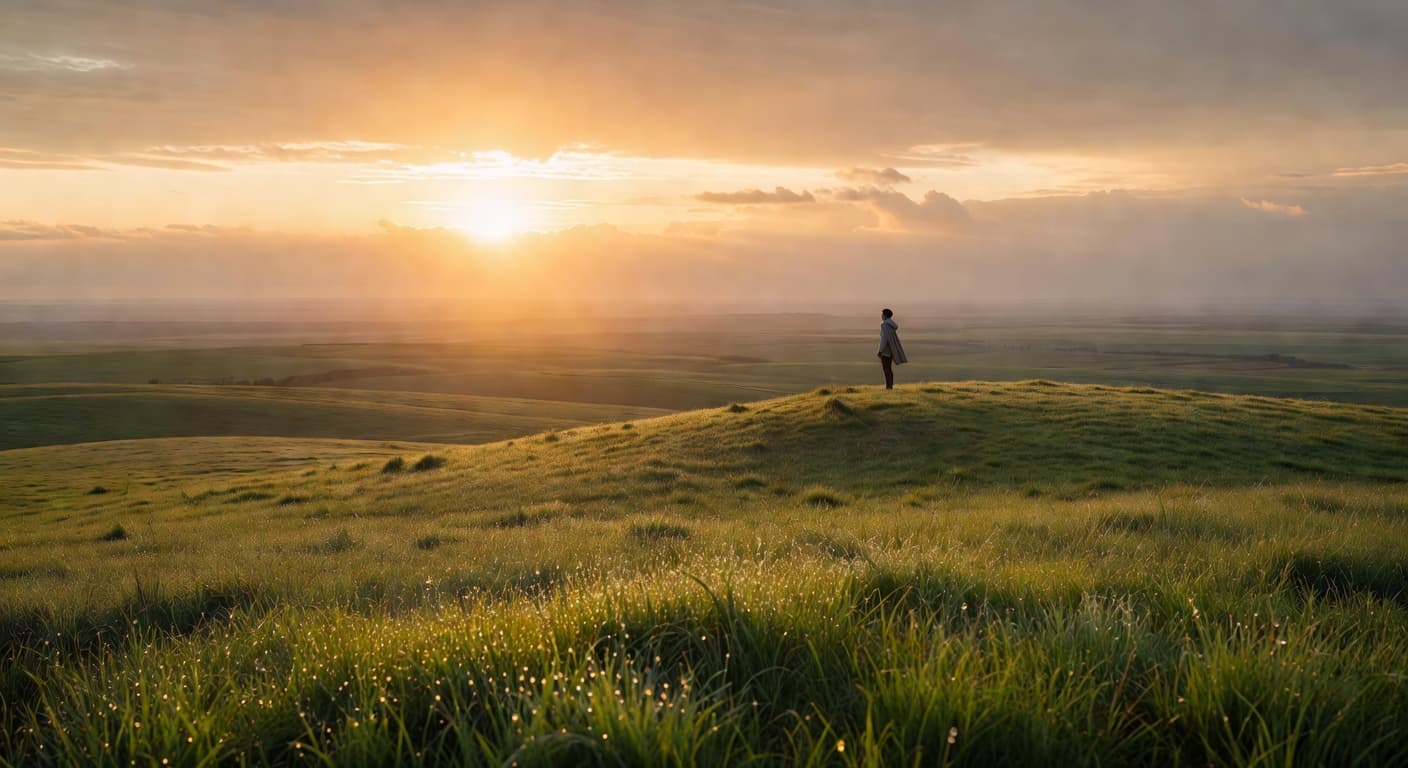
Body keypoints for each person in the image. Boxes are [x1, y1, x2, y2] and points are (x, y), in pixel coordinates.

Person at [876, 308, 907, 389]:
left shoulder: (884, 325)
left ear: (885, 315)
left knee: (886, 369)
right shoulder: (891, 325)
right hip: (890, 351)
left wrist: (880, 350)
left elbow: (884, 339)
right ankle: (890, 386)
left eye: (882, 314)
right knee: (889, 369)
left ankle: (888, 387)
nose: (881, 315)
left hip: (885, 351)